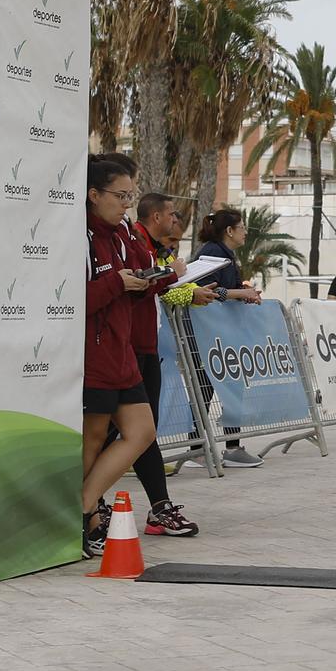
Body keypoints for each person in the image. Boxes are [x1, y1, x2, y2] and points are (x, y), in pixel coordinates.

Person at [83, 157, 157, 558]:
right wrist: (117, 282)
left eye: (131, 195)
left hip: (121, 352)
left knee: (142, 430)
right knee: (91, 440)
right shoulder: (79, 236)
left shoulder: (122, 233)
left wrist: (147, 280)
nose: (126, 203)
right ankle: (87, 517)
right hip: (93, 356)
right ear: (94, 195)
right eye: (120, 195)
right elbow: (71, 302)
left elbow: (140, 273)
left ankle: (83, 504)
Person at [125, 188, 206, 537]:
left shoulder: (154, 248)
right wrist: (172, 273)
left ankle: (159, 509)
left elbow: (162, 289)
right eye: (172, 214)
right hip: (126, 351)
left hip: (145, 348)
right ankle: (92, 506)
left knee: (143, 433)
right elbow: (139, 282)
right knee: (129, 433)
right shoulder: (131, 240)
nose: (177, 220)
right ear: (156, 216)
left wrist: (209, 292)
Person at [188, 209, 267, 469]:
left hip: (222, 335)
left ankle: (230, 446)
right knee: (205, 389)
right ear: (229, 231)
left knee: (228, 387)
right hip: (209, 334)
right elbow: (211, 291)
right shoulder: (212, 252)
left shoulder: (223, 253)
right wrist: (240, 293)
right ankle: (197, 448)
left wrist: (242, 291)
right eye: (242, 227)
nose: (246, 232)